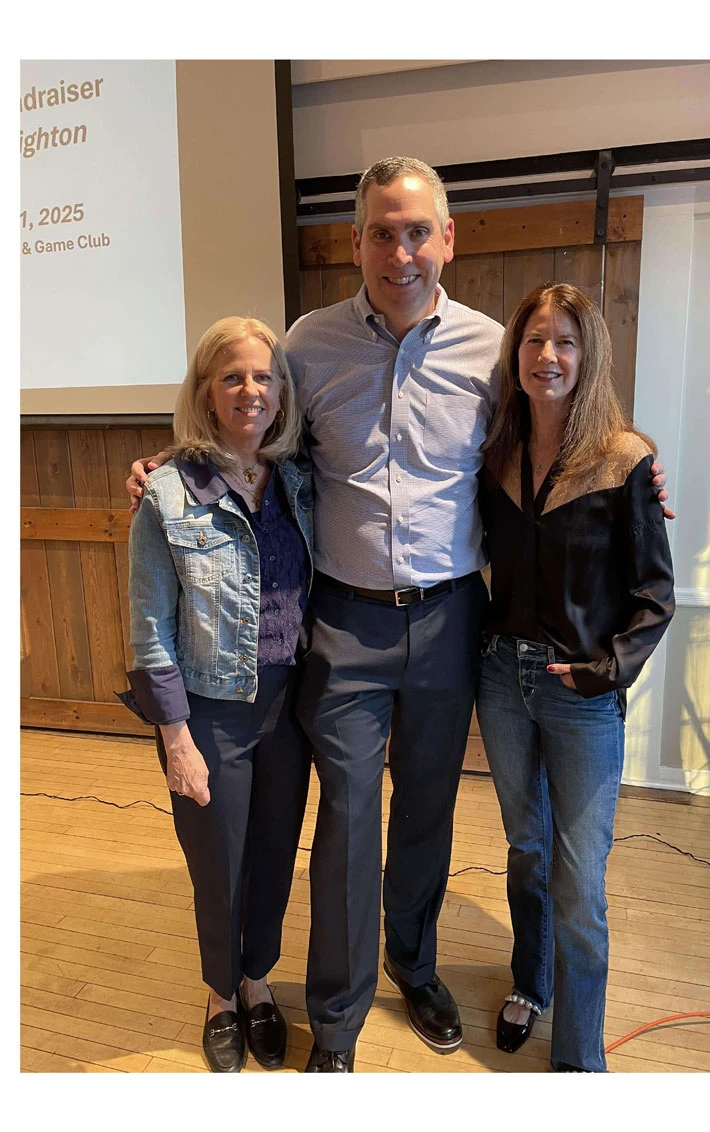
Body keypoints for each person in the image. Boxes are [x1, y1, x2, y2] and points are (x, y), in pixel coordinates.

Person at [127, 156, 671, 1072]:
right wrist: (165, 467)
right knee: (346, 818)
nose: (401, 249)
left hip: (456, 620)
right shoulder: (306, 345)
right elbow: (242, 423)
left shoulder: (492, 349)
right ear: (356, 242)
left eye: (418, 230)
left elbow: (559, 428)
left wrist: (640, 459)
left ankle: (412, 965)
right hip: (345, 622)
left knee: (425, 811)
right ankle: (335, 1024)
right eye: (383, 231)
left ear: (447, 240)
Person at [476, 283, 675, 1072]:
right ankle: (531, 981)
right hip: (500, 680)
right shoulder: (494, 452)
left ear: (587, 355)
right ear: (515, 354)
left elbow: (656, 595)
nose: (547, 356)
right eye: (533, 341)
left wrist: (607, 671)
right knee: (525, 850)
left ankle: (580, 1059)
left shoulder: (626, 459)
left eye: (564, 342)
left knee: (578, 880)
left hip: (581, 694)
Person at [119, 316, 314, 1072]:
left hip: (288, 708)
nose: (251, 391)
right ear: (205, 390)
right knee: (218, 867)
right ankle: (219, 994)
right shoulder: (165, 495)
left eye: (264, 377)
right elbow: (148, 630)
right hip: (210, 714)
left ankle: (257, 979)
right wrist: (175, 738)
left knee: (272, 856)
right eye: (232, 376)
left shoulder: (297, 478)